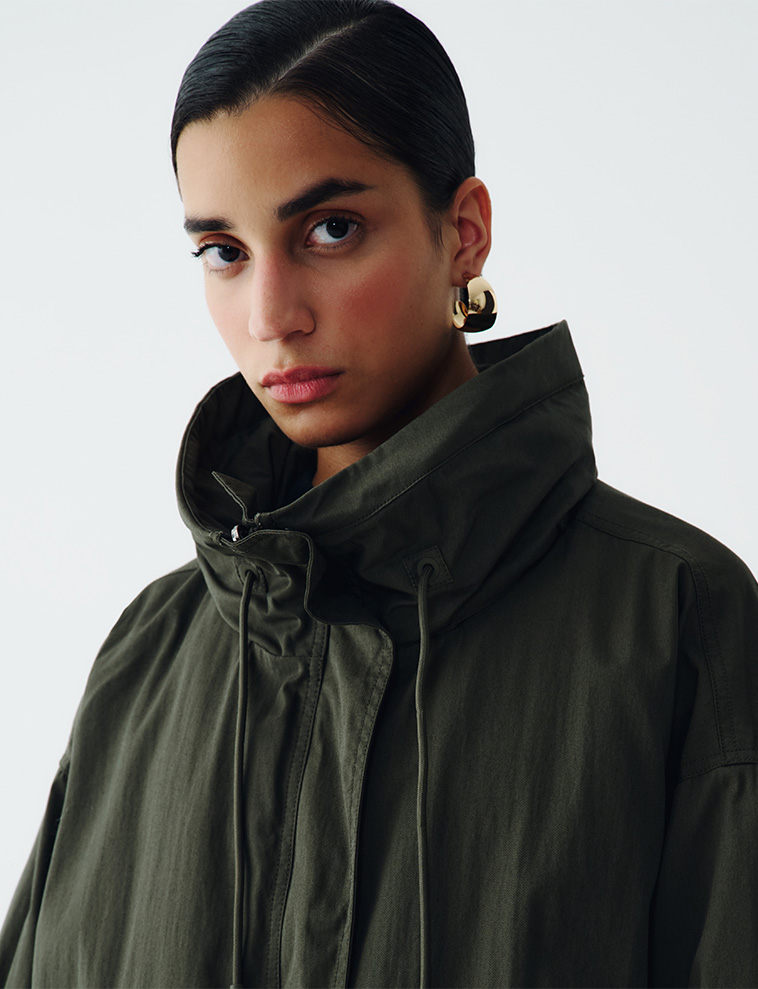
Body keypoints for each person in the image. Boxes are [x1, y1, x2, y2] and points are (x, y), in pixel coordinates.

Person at [1, 1, 757, 986]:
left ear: (464, 235)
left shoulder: (679, 620)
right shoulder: (147, 656)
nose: (270, 315)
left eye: (330, 229)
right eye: (224, 251)